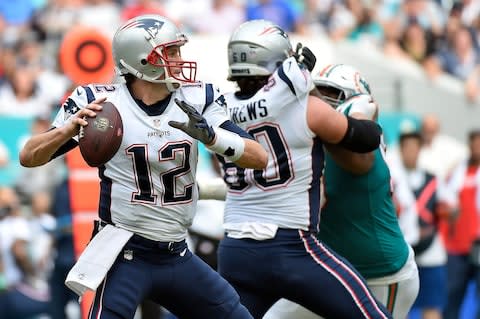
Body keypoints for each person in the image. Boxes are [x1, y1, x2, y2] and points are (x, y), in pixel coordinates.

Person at [19, 14, 268, 319]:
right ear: (142, 60)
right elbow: (29, 157)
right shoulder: (100, 103)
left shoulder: (197, 98)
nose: (179, 59)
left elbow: (259, 157)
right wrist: (68, 130)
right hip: (125, 255)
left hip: (177, 254)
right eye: (171, 52)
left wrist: (214, 138)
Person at [216, 19, 392, 319]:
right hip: (290, 249)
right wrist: (360, 107)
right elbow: (366, 138)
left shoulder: (219, 109)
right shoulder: (305, 107)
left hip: (235, 251)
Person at [265, 64, 419, 319]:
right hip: (332, 271)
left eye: (330, 94)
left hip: (380, 273)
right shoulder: (307, 146)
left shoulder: (362, 148)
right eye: (317, 93)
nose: (320, 102)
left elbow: (357, 158)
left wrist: (315, 108)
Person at [396, 130, 447, 319]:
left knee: (432, 306)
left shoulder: (434, 179)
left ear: (420, 150)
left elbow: (448, 207)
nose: (411, 152)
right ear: (400, 150)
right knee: (400, 309)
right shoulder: (390, 179)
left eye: (414, 148)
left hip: (431, 250)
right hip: (400, 250)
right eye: (406, 148)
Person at [440, 129, 480, 319]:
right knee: (452, 294)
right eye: (474, 144)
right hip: (457, 246)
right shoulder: (458, 171)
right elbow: (445, 199)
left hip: (478, 243)